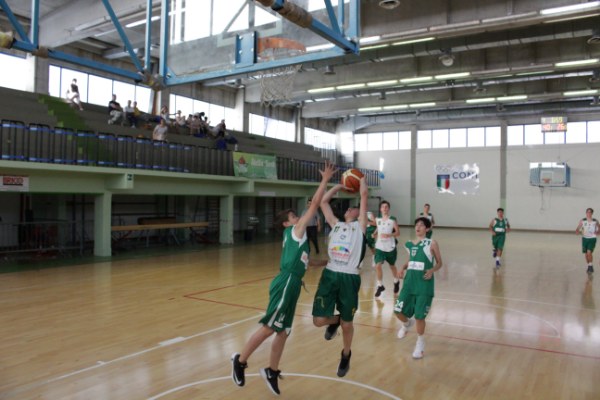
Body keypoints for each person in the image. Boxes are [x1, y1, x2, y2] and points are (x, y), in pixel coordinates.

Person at [231, 161, 337, 396]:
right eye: (293, 216)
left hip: (293, 282)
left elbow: (306, 263)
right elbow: (315, 204)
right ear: (286, 224)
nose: (298, 216)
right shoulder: (295, 231)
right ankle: (240, 360)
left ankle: (271, 370)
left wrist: (327, 262)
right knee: (271, 327)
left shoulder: (296, 238)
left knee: (283, 330)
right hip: (286, 282)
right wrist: (324, 179)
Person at [312, 175, 368, 378]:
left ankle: (346, 354)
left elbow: (363, 195)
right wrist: (338, 186)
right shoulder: (335, 224)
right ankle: (334, 321)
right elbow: (323, 202)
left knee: (347, 324)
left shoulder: (360, 227)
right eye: (349, 208)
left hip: (349, 277)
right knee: (318, 320)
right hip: (330, 274)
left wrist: (361, 180)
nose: (350, 209)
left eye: (354, 208)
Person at [394, 217, 443, 359]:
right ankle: (406, 324)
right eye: (416, 225)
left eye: (421, 225)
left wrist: (432, 270)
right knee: (397, 311)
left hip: (424, 285)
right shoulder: (409, 244)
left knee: (420, 316)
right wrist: (402, 268)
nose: (418, 227)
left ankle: (420, 344)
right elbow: (411, 260)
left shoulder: (431, 243)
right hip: (409, 283)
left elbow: (439, 263)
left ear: (427, 229)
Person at [373, 200, 401, 298]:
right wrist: (374, 233)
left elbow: (398, 233)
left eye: (386, 207)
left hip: (390, 247)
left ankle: (396, 281)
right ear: (380, 209)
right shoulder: (377, 219)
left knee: (392, 266)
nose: (384, 208)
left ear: (388, 209)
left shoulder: (392, 219)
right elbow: (378, 227)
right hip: (380, 247)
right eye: (383, 207)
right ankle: (380, 285)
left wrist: (389, 235)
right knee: (377, 265)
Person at [575, 208, 599, 274]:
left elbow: (599, 228)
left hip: (592, 238)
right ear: (586, 213)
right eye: (587, 212)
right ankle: (589, 265)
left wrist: (598, 232)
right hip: (584, 239)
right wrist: (577, 230)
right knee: (586, 255)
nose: (588, 213)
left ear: (592, 213)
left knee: (589, 252)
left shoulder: (595, 221)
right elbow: (578, 227)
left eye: (590, 212)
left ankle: (590, 266)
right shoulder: (583, 220)